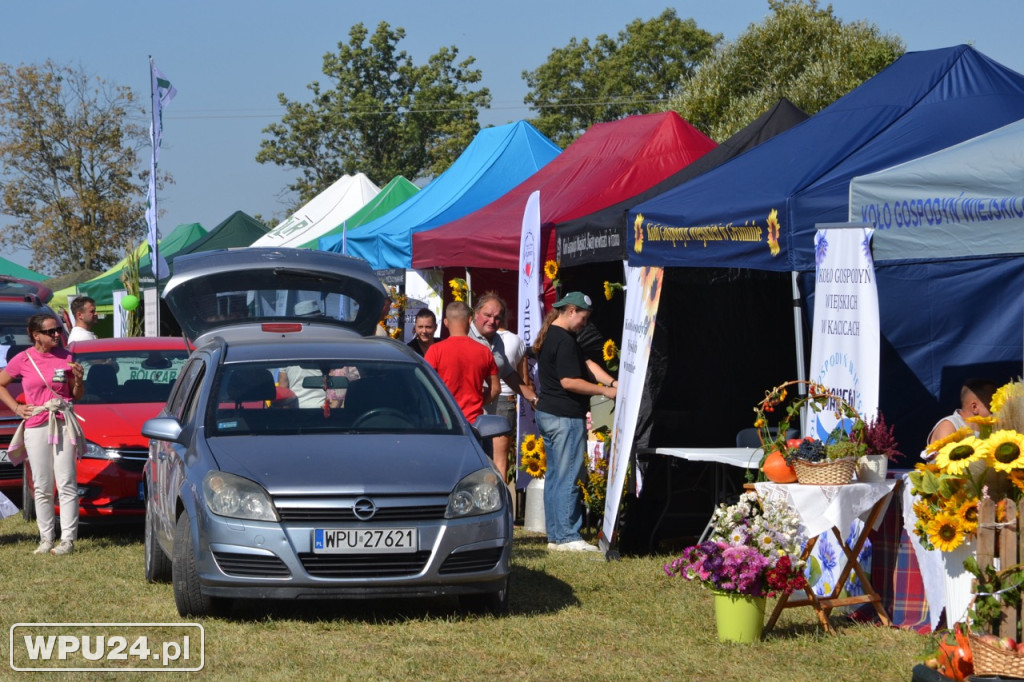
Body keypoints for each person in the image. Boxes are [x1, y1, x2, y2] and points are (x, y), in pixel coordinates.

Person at [532, 292, 617, 552]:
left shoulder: (556, 336)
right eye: (584, 317)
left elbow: (587, 363)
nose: (585, 323)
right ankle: (568, 536)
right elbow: (569, 381)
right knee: (568, 476)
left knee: (556, 477)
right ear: (571, 311)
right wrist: (604, 391)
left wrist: (612, 382)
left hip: (549, 413)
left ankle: (557, 537)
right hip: (564, 417)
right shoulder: (564, 340)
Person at [0, 313, 85, 555]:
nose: (57, 334)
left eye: (58, 329)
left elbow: (76, 394)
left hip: (63, 421)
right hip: (37, 423)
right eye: (50, 331)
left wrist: (79, 380)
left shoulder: (67, 356)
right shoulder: (24, 359)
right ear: (36, 335)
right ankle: (46, 538)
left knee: (67, 481)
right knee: (42, 484)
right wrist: (16, 407)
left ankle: (67, 539)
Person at [425, 301, 499, 423]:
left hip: (444, 422)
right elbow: (495, 389)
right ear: (470, 320)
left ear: (446, 323)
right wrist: (478, 402)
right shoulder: (484, 351)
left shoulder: (435, 351)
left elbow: (426, 388)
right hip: (473, 422)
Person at [469, 293, 538, 409]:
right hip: (467, 413)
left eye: (497, 318)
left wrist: (534, 399)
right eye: (487, 315)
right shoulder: (465, 336)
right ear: (476, 314)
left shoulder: (497, 339)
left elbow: (508, 373)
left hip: (489, 412)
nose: (492, 321)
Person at [486, 324, 528, 481]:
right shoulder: (517, 340)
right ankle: (501, 503)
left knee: (485, 460)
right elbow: (524, 380)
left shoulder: (478, 338)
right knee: (500, 461)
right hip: (507, 400)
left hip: (484, 397)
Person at [925, 378, 1000, 453]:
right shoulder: (949, 426)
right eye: (993, 404)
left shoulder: (994, 428)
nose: (999, 408)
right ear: (974, 407)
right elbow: (943, 461)